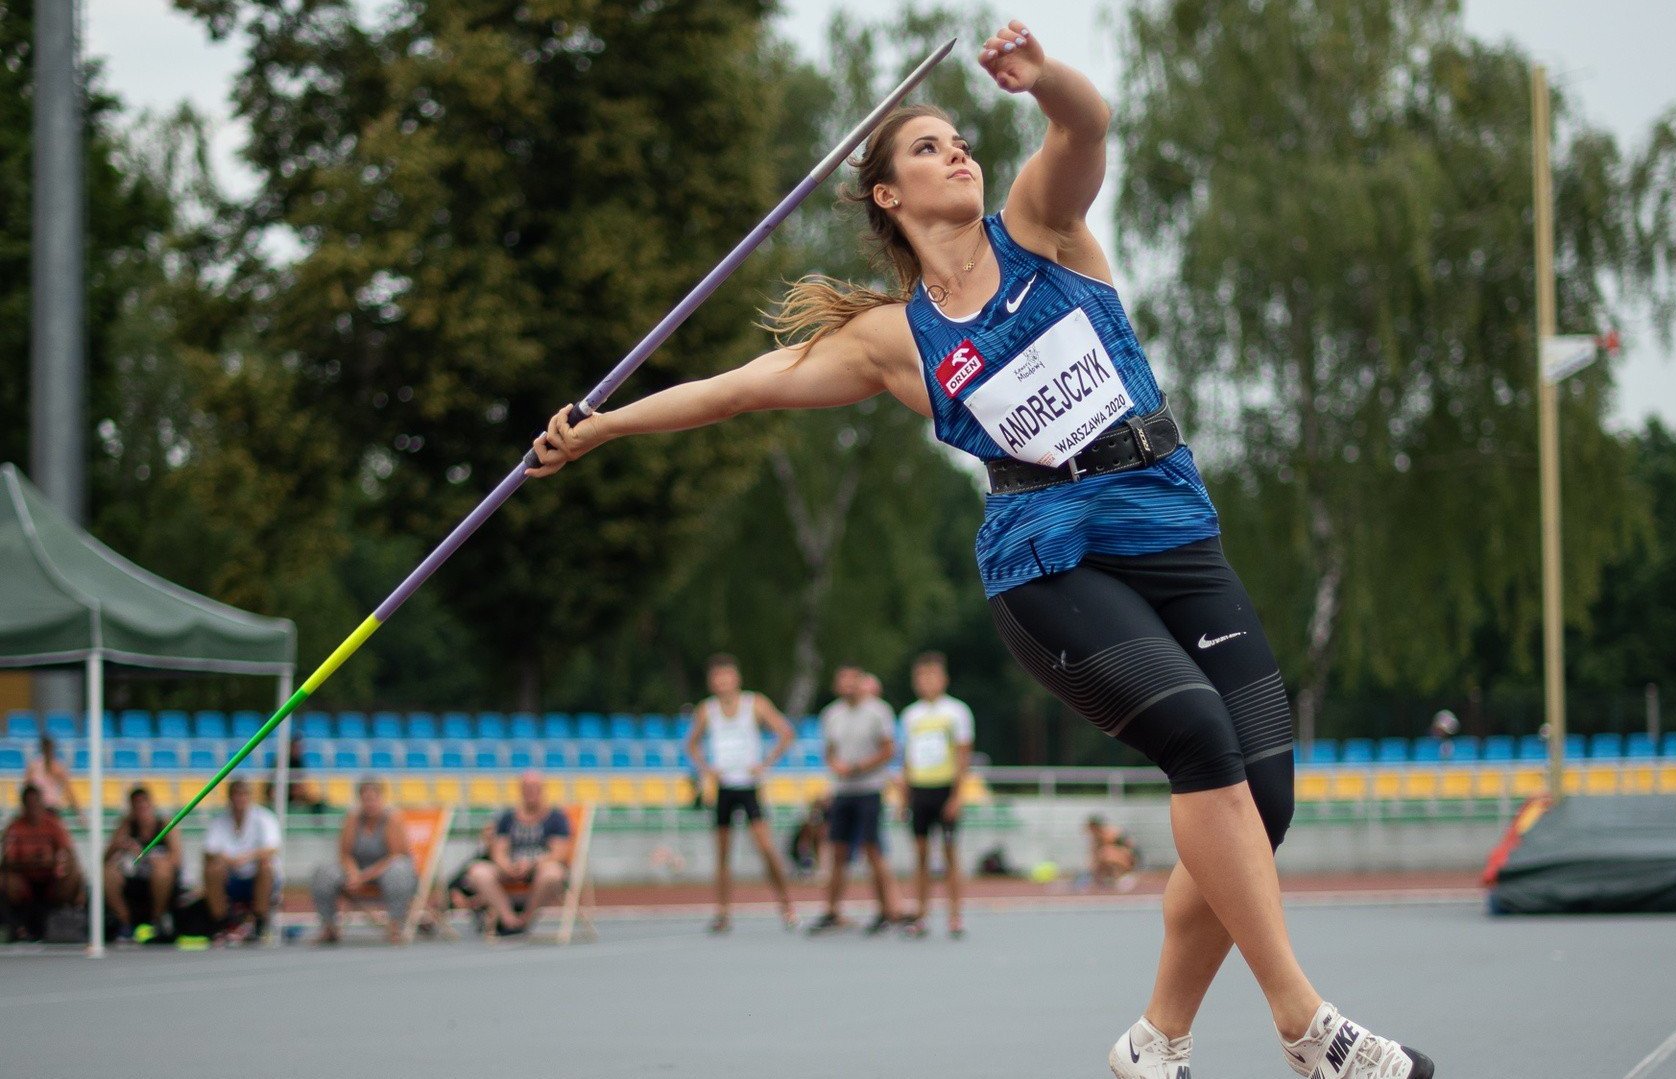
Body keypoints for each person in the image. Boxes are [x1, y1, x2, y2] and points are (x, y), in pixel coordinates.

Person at [524, 20, 1433, 1079]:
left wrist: (1042, 79)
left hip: (1174, 527)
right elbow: (737, 389)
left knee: (1259, 800)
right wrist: (602, 425)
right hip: (1048, 559)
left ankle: (1156, 1041)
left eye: (961, 138)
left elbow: (1087, 124)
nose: (958, 151)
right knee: (1198, 739)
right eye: (927, 148)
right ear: (886, 198)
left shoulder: (1040, 230)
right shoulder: (893, 340)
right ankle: (1306, 1025)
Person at [684, 653, 798, 932]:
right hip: (724, 787)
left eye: (726, 675)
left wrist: (765, 763)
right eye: (717, 677)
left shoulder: (754, 704)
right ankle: (723, 912)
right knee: (722, 853)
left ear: (736, 677)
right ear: (712, 681)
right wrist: (707, 769)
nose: (722, 681)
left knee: (766, 848)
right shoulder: (706, 710)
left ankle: (787, 906)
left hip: (748, 786)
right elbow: (692, 744)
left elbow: (785, 732)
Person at [805, 664, 900, 935]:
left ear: (861, 682)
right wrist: (836, 767)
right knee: (836, 850)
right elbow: (829, 752)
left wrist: (859, 767)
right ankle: (832, 910)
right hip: (842, 792)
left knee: (872, 850)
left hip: (869, 789)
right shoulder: (831, 715)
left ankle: (884, 910)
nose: (848, 686)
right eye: (842, 680)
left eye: (852, 680)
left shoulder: (878, 711)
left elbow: (888, 750)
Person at [895, 651, 974, 939]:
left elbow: (963, 757)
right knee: (920, 856)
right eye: (921, 677)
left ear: (944, 679)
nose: (927, 682)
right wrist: (904, 797)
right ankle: (921, 914)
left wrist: (957, 796)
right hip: (920, 790)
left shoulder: (957, 712)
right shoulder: (910, 715)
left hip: (945, 790)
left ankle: (955, 916)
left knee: (950, 855)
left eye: (932, 676)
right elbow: (906, 759)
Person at [458, 772, 570, 935]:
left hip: (539, 869)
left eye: (535, 788)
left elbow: (558, 853)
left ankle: (526, 918)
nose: (531, 792)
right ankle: (508, 918)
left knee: (553, 873)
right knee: (478, 872)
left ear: (543, 790)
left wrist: (531, 864)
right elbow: (499, 850)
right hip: (509, 868)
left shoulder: (556, 818)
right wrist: (506, 866)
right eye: (527, 788)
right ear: (520, 790)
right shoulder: (508, 818)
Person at [310, 776, 418, 944]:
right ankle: (329, 927)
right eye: (365, 799)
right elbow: (345, 853)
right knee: (323, 872)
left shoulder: (392, 819)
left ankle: (396, 926)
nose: (370, 803)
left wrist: (363, 877)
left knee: (399, 869)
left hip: (385, 870)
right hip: (358, 869)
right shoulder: (353, 818)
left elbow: (395, 856)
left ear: (382, 798)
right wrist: (353, 873)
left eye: (373, 798)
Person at [203, 779, 282, 942]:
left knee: (266, 866)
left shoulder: (264, 818)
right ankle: (220, 922)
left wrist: (246, 857)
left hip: (256, 876)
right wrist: (229, 860)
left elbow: (272, 848)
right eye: (236, 795)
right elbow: (209, 850)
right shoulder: (220, 821)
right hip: (231, 877)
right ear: (230, 798)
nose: (240, 799)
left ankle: (260, 921)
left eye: (244, 794)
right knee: (212, 869)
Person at [1, 786, 81, 941]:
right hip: (24, 879)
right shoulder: (15, 828)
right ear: (24, 806)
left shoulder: (53, 825)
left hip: (51, 877)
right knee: (6, 880)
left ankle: (67, 920)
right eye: (29, 804)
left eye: (36, 803)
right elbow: (8, 861)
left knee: (73, 874)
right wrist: (32, 862)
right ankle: (17, 927)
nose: (33, 809)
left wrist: (55, 862)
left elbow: (68, 853)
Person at [104, 786, 179, 939]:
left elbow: (176, 859)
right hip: (132, 877)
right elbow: (105, 859)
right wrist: (119, 845)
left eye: (144, 804)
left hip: (158, 878)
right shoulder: (126, 825)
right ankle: (125, 922)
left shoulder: (164, 824)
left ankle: (157, 920)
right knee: (108, 872)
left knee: (162, 870)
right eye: (136, 805)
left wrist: (148, 856)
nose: (141, 809)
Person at [25, 735, 78, 812]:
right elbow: (27, 789)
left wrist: (78, 811)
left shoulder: (57, 767)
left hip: (51, 808)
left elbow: (68, 791)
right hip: (38, 808)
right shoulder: (34, 766)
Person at [1086, 814, 1138, 889]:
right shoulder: (1096, 839)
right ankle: (1108, 879)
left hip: (1126, 859)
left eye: (1091, 828)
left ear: (1095, 826)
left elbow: (1131, 848)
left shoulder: (1112, 834)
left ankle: (1122, 876)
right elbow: (1094, 857)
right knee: (1100, 857)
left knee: (1107, 853)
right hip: (1112, 859)